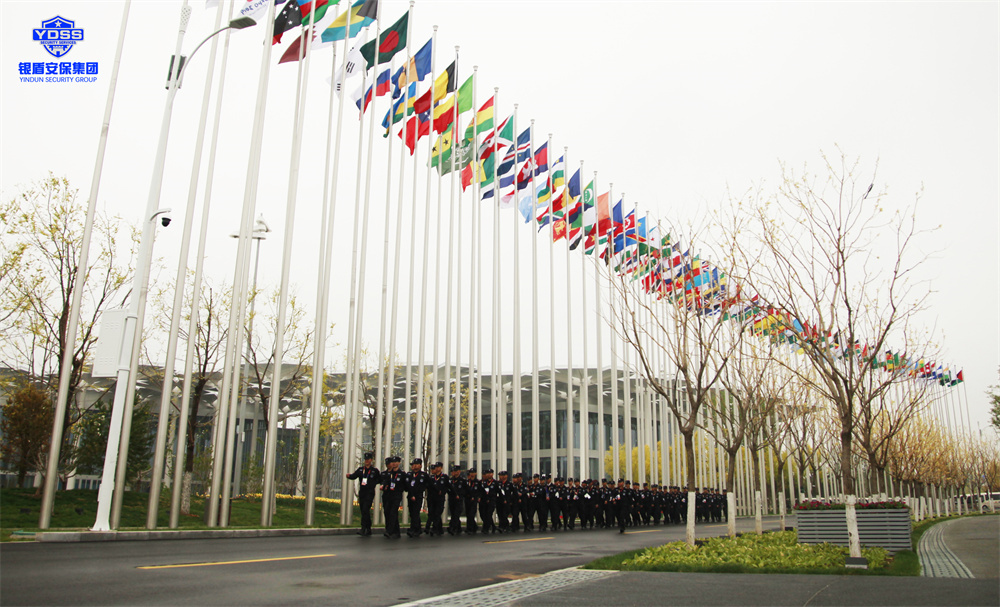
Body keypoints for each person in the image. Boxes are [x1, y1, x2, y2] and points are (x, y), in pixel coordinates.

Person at [345, 451, 380, 536]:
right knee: (363, 510)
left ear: (371, 460)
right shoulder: (361, 470)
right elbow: (354, 476)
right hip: (362, 493)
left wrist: (373, 484)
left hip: (370, 493)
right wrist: (349, 476)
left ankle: (363, 528)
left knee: (365, 509)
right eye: (365, 459)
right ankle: (368, 528)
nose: (367, 461)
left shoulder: (374, 471)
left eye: (368, 459)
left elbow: (379, 479)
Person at [380, 456, 405, 539]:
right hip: (388, 495)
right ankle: (396, 532)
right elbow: (385, 482)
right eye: (393, 462)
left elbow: (405, 485)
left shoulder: (402, 474)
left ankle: (389, 531)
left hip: (396, 496)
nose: (394, 464)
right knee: (388, 512)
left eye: (396, 462)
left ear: (399, 463)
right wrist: (383, 486)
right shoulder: (389, 474)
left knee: (393, 512)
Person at [404, 458, 429, 538]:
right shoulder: (409, 474)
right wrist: (411, 494)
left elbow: (427, 485)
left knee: (415, 512)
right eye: (413, 465)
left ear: (420, 465)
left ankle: (414, 529)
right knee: (412, 513)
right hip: (410, 496)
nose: (414, 466)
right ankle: (417, 528)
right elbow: (407, 485)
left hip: (418, 496)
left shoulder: (423, 475)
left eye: (416, 464)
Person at [425, 462, 448, 536]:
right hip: (432, 498)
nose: (437, 468)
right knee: (434, 513)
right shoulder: (431, 478)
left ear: (441, 468)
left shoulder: (444, 477)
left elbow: (447, 486)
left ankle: (434, 528)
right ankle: (440, 529)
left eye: (438, 467)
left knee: (437, 513)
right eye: (436, 467)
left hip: (440, 498)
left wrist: (443, 492)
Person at [446, 464, 466, 535]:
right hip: (452, 499)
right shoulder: (450, 480)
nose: (453, 473)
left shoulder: (462, 481)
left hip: (459, 500)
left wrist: (460, 495)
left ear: (459, 471)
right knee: (453, 514)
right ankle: (458, 528)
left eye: (455, 471)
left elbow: (465, 490)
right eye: (452, 471)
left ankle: (452, 528)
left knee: (456, 514)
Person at [478, 468, 498, 534]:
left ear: (492, 474)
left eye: (490, 473)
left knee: (489, 514)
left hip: (492, 501)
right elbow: (480, 491)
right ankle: (493, 526)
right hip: (484, 501)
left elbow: (498, 492)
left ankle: (486, 528)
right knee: (483, 514)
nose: (489, 475)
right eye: (488, 473)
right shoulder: (483, 482)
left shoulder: (495, 483)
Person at [464, 468, 480, 535]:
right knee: (468, 514)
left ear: (475, 473)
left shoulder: (478, 482)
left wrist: (478, 497)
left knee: (471, 514)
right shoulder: (467, 482)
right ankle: (472, 527)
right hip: (467, 499)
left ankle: (470, 528)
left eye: (473, 473)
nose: (472, 474)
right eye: (471, 473)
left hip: (474, 500)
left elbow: (480, 491)